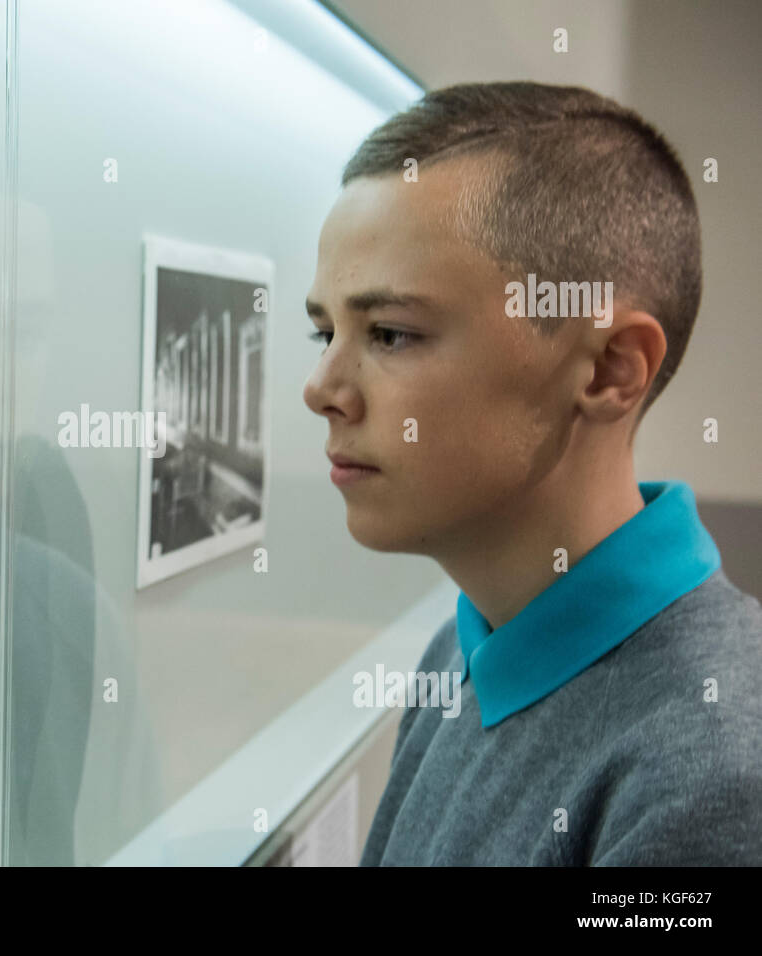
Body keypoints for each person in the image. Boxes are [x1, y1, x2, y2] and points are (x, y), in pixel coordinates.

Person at [301, 81, 762, 865]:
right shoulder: (464, 644)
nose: (323, 391)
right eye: (324, 332)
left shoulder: (716, 778)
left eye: (391, 333)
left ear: (611, 369)